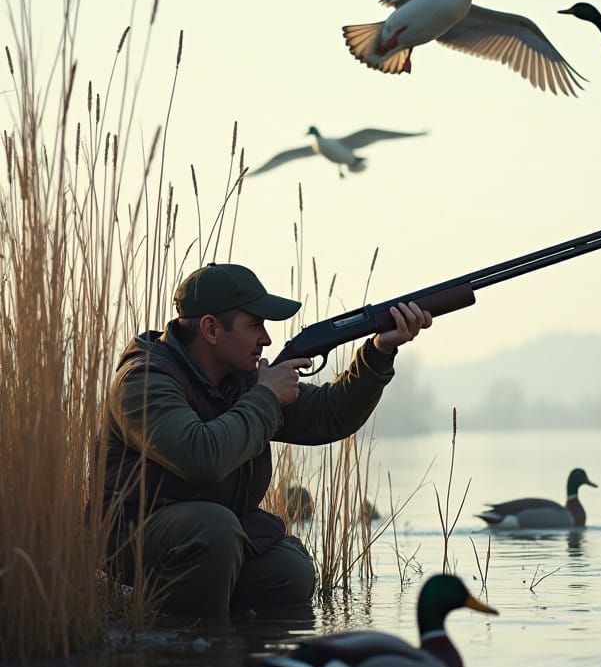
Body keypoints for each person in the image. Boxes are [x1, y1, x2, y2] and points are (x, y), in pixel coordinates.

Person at [100, 262, 431, 618]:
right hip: (135, 536)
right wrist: (266, 398)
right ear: (211, 328)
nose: (267, 339)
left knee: (290, 572)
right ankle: (192, 647)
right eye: (255, 324)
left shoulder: (241, 378)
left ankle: (241, 653)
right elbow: (200, 457)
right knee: (215, 528)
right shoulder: (144, 380)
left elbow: (330, 415)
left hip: (214, 537)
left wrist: (380, 352)